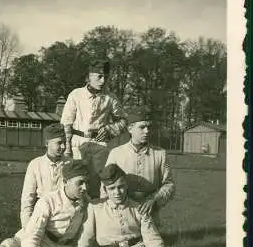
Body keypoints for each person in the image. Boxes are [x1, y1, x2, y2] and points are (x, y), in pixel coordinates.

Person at [80, 164, 210, 247]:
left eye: (121, 186)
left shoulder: (137, 207)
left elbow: (151, 237)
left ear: (126, 186)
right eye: (112, 188)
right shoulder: (95, 208)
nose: (117, 192)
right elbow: (85, 238)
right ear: (105, 189)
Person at [60, 57, 128, 198]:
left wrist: (109, 129)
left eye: (106, 77)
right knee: (77, 183)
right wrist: (67, 150)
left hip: (100, 146)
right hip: (77, 145)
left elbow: (123, 120)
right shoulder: (76, 95)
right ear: (90, 76)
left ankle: (97, 217)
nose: (103, 81)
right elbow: (66, 123)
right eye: (99, 76)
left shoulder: (110, 98)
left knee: (98, 186)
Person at [103, 108, 175, 227]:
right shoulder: (116, 153)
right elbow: (105, 185)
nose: (147, 131)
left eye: (148, 127)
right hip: (123, 212)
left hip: (150, 211)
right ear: (130, 129)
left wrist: (154, 200)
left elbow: (169, 184)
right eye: (142, 127)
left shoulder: (160, 153)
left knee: (153, 243)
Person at [20, 123, 70, 229]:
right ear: (47, 143)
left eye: (65, 142)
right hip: (41, 216)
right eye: (59, 143)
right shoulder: (35, 164)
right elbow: (27, 199)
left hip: (64, 218)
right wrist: (27, 226)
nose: (63, 147)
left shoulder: (70, 164)